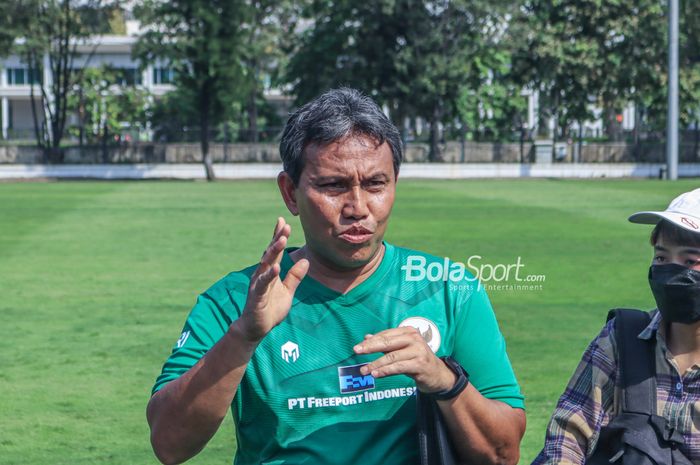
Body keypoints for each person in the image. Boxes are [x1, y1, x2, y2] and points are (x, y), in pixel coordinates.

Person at [147, 87, 525, 465]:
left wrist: (445, 381)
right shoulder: (236, 301)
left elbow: (503, 453)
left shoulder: (448, 289)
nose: (358, 207)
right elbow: (169, 444)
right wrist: (243, 336)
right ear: (290, 193)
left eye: (376, 184)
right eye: (333, 185)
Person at [533, 187, 700, 464]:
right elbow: (568, 434)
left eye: (690, 260)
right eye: (661, 257)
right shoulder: (623, 339)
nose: (670, 270)